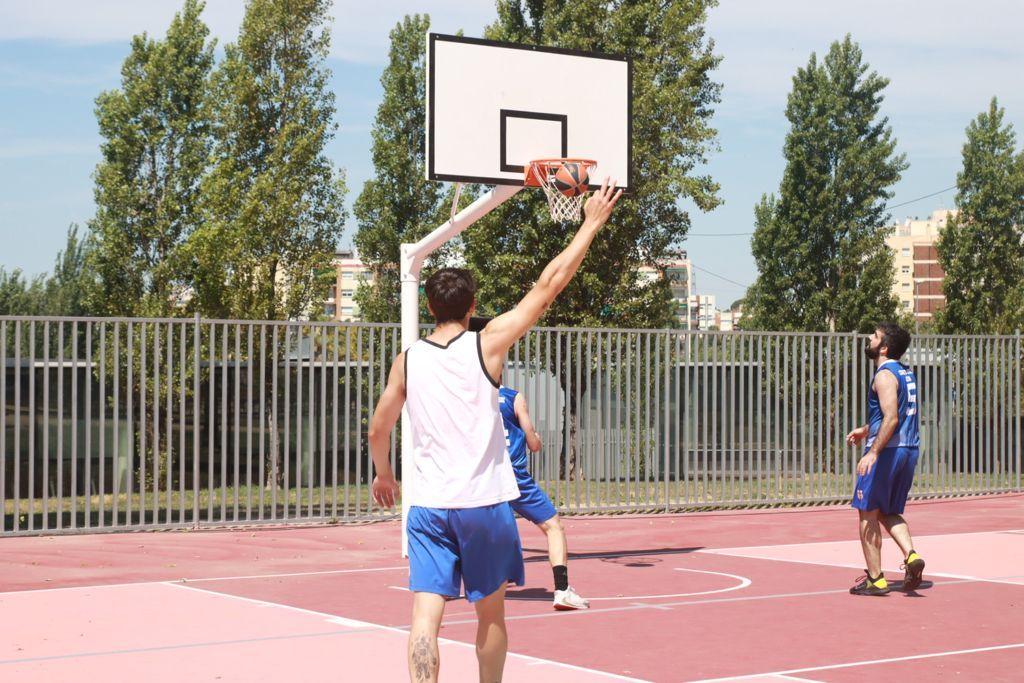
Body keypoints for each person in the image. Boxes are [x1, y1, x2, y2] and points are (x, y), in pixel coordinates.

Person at [369, 177, 622, 682]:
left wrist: (384, 475)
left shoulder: (407, 360)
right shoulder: (487, 344)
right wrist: (590, 223)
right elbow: (547, 287)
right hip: (484, 504)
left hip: (430, 508)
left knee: (424, 616)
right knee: (490, 615)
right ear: (470, 305)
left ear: (432, 306)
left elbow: (379, 428)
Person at [846, 322, 926, 596]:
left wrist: (872, 451)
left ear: (884, 347)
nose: (869, 338)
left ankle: (876, 579)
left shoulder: (884, 375)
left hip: (888, 451)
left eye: (875, 336)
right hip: (908, 449)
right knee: (887, 510)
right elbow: (895, 415)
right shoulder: (905, 373)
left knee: (867, 512)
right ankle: (911, 555)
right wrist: (866, 429)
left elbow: (891, 417)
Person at [498, 385, 590, 610]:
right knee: (553, 527)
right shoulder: (512, 397)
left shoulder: (470, 396)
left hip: (484, 476)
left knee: (466, 525)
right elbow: (534, 444)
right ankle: (562, 590)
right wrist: (533, 436)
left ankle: (445, 586)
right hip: (514, 476)